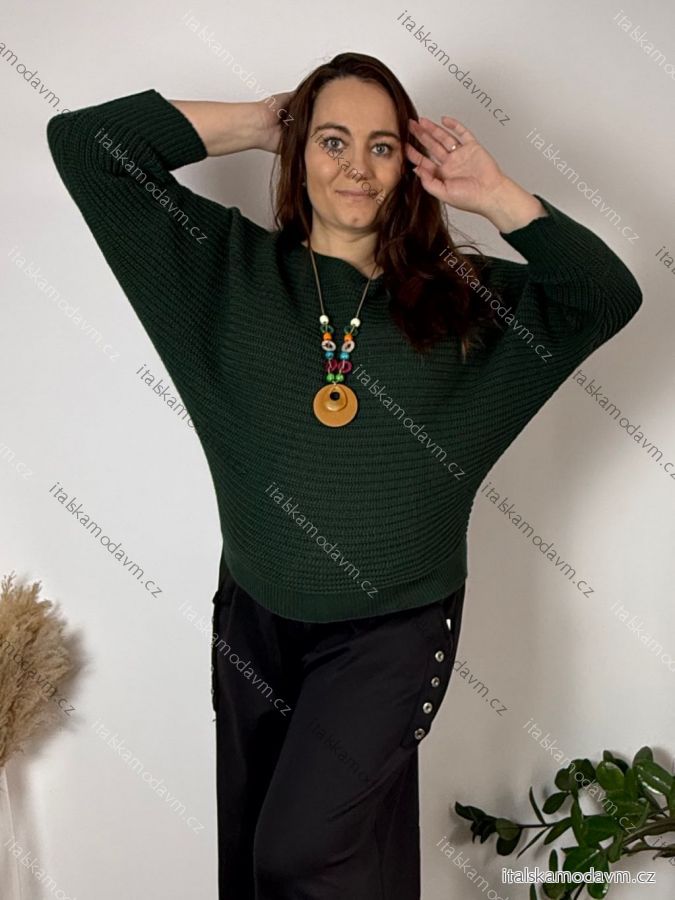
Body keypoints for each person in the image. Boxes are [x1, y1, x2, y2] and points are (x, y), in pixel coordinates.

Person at [46, 50, 642, 900]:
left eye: (380, 146)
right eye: (331, 141)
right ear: (300, 153)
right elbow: (84, 145)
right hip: (255, 617)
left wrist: (491, 193)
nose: (355, 167)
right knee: (265, 859)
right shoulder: (224, 271)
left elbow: (605, 295)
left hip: (390, 633)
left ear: (408, 165)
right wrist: (262, 123)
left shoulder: (466, 301)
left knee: (297, 855)